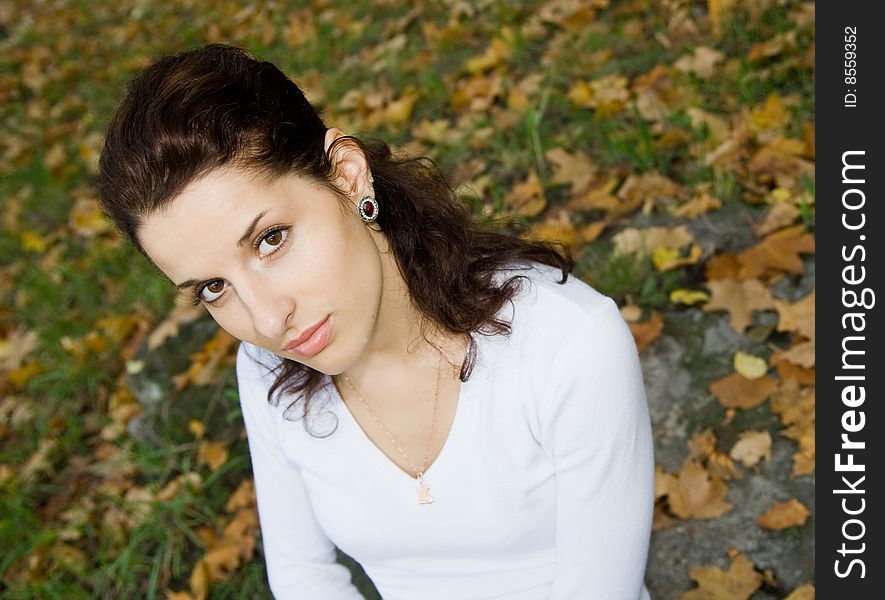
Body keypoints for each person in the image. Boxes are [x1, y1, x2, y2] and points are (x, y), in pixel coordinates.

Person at [98, 44, 654, 599]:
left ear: (347, 174)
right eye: (214, 288)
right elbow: (303, 577)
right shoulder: (267, 371)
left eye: (271, 239)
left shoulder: (568, 345)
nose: (268, 321)